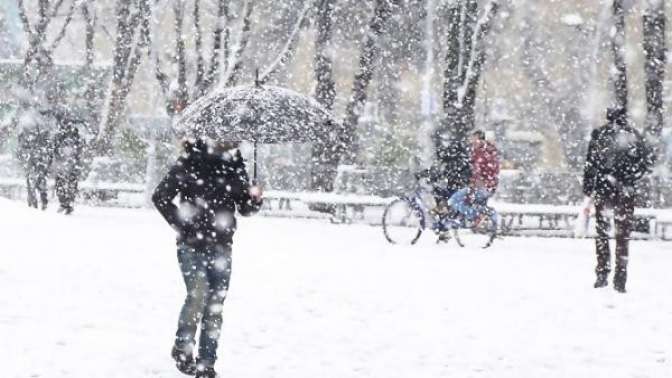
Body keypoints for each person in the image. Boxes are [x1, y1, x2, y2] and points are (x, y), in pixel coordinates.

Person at [153, 138, 263, 378]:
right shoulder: (190, 160)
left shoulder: (235, 165)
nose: (232, 138)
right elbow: (160, 196)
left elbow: (244, 208)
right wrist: (184, 226)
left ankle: (206, 364)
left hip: (222, 246)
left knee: (215, 306)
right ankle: (183, 347)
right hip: (191, 245)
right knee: (198, 295)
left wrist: (254, 199)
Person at [582, 107, 654, 293]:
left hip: (604, 189)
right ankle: (620, 277)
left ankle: (602, 273)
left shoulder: (600, 134)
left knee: (602, 232)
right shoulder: (634, 136)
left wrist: (590, 187)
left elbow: (591, 164)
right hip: (625, 190)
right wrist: (630, 178)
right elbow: (646, 162)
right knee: (622, 235)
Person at [445, 130, 500, 227]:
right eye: (472, 139)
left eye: (475, 139)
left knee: (453, 200)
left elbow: (481, 173)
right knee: (463, 201)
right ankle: (484, 214)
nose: (472, 141)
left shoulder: (482, 154)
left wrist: (478, 183)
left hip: (482, 187)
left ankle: (476, 216)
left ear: (482, 140)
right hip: (486, 187)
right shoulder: (483, 152)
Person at [16, 112, 53, 210]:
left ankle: (35, 200)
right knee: (37, 179)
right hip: (37, 157)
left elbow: (20, 146)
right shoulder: (41, 128)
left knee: (34, 179)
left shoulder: (27, 128)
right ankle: (38, 199)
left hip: (35, 158)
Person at [52, 115, 83, 215]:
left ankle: (66, 203)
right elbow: (55, 149)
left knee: (65, 183)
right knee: (67, 183)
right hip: (68, 163)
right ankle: (66, 203)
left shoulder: (68, 135)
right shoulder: (70, 135)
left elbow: (55, 148)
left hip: (68, 163)